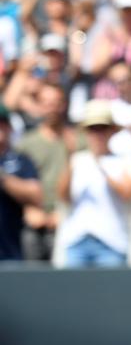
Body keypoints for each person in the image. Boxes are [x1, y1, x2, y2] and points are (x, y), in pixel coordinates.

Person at [57, 100, 131, 267]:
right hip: (77, 240)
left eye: (102, 128)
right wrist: (70, 158)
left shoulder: (123, 161)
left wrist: (100, 164)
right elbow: (63, 196)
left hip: (112, 241)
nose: (97, 134)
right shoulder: (77, 160)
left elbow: (127, 193)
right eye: (92, 129)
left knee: (111, 293)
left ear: (111, 131)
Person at [16, 85, 75, 260]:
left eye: (56, 103)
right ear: (39, 106)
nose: (52, 108)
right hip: (36, 221)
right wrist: (27, 208)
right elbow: (18, 182)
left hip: (69, 219)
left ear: (64, 105)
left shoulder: (78, 140)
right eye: (46, 103)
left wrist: (64, 212)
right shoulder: (26, 144)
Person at [0, 106, 41, 260]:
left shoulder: (20, 160)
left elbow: (36, 195)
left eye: (2, 123)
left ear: (9, 127)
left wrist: (3, 177)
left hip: (10, 244)